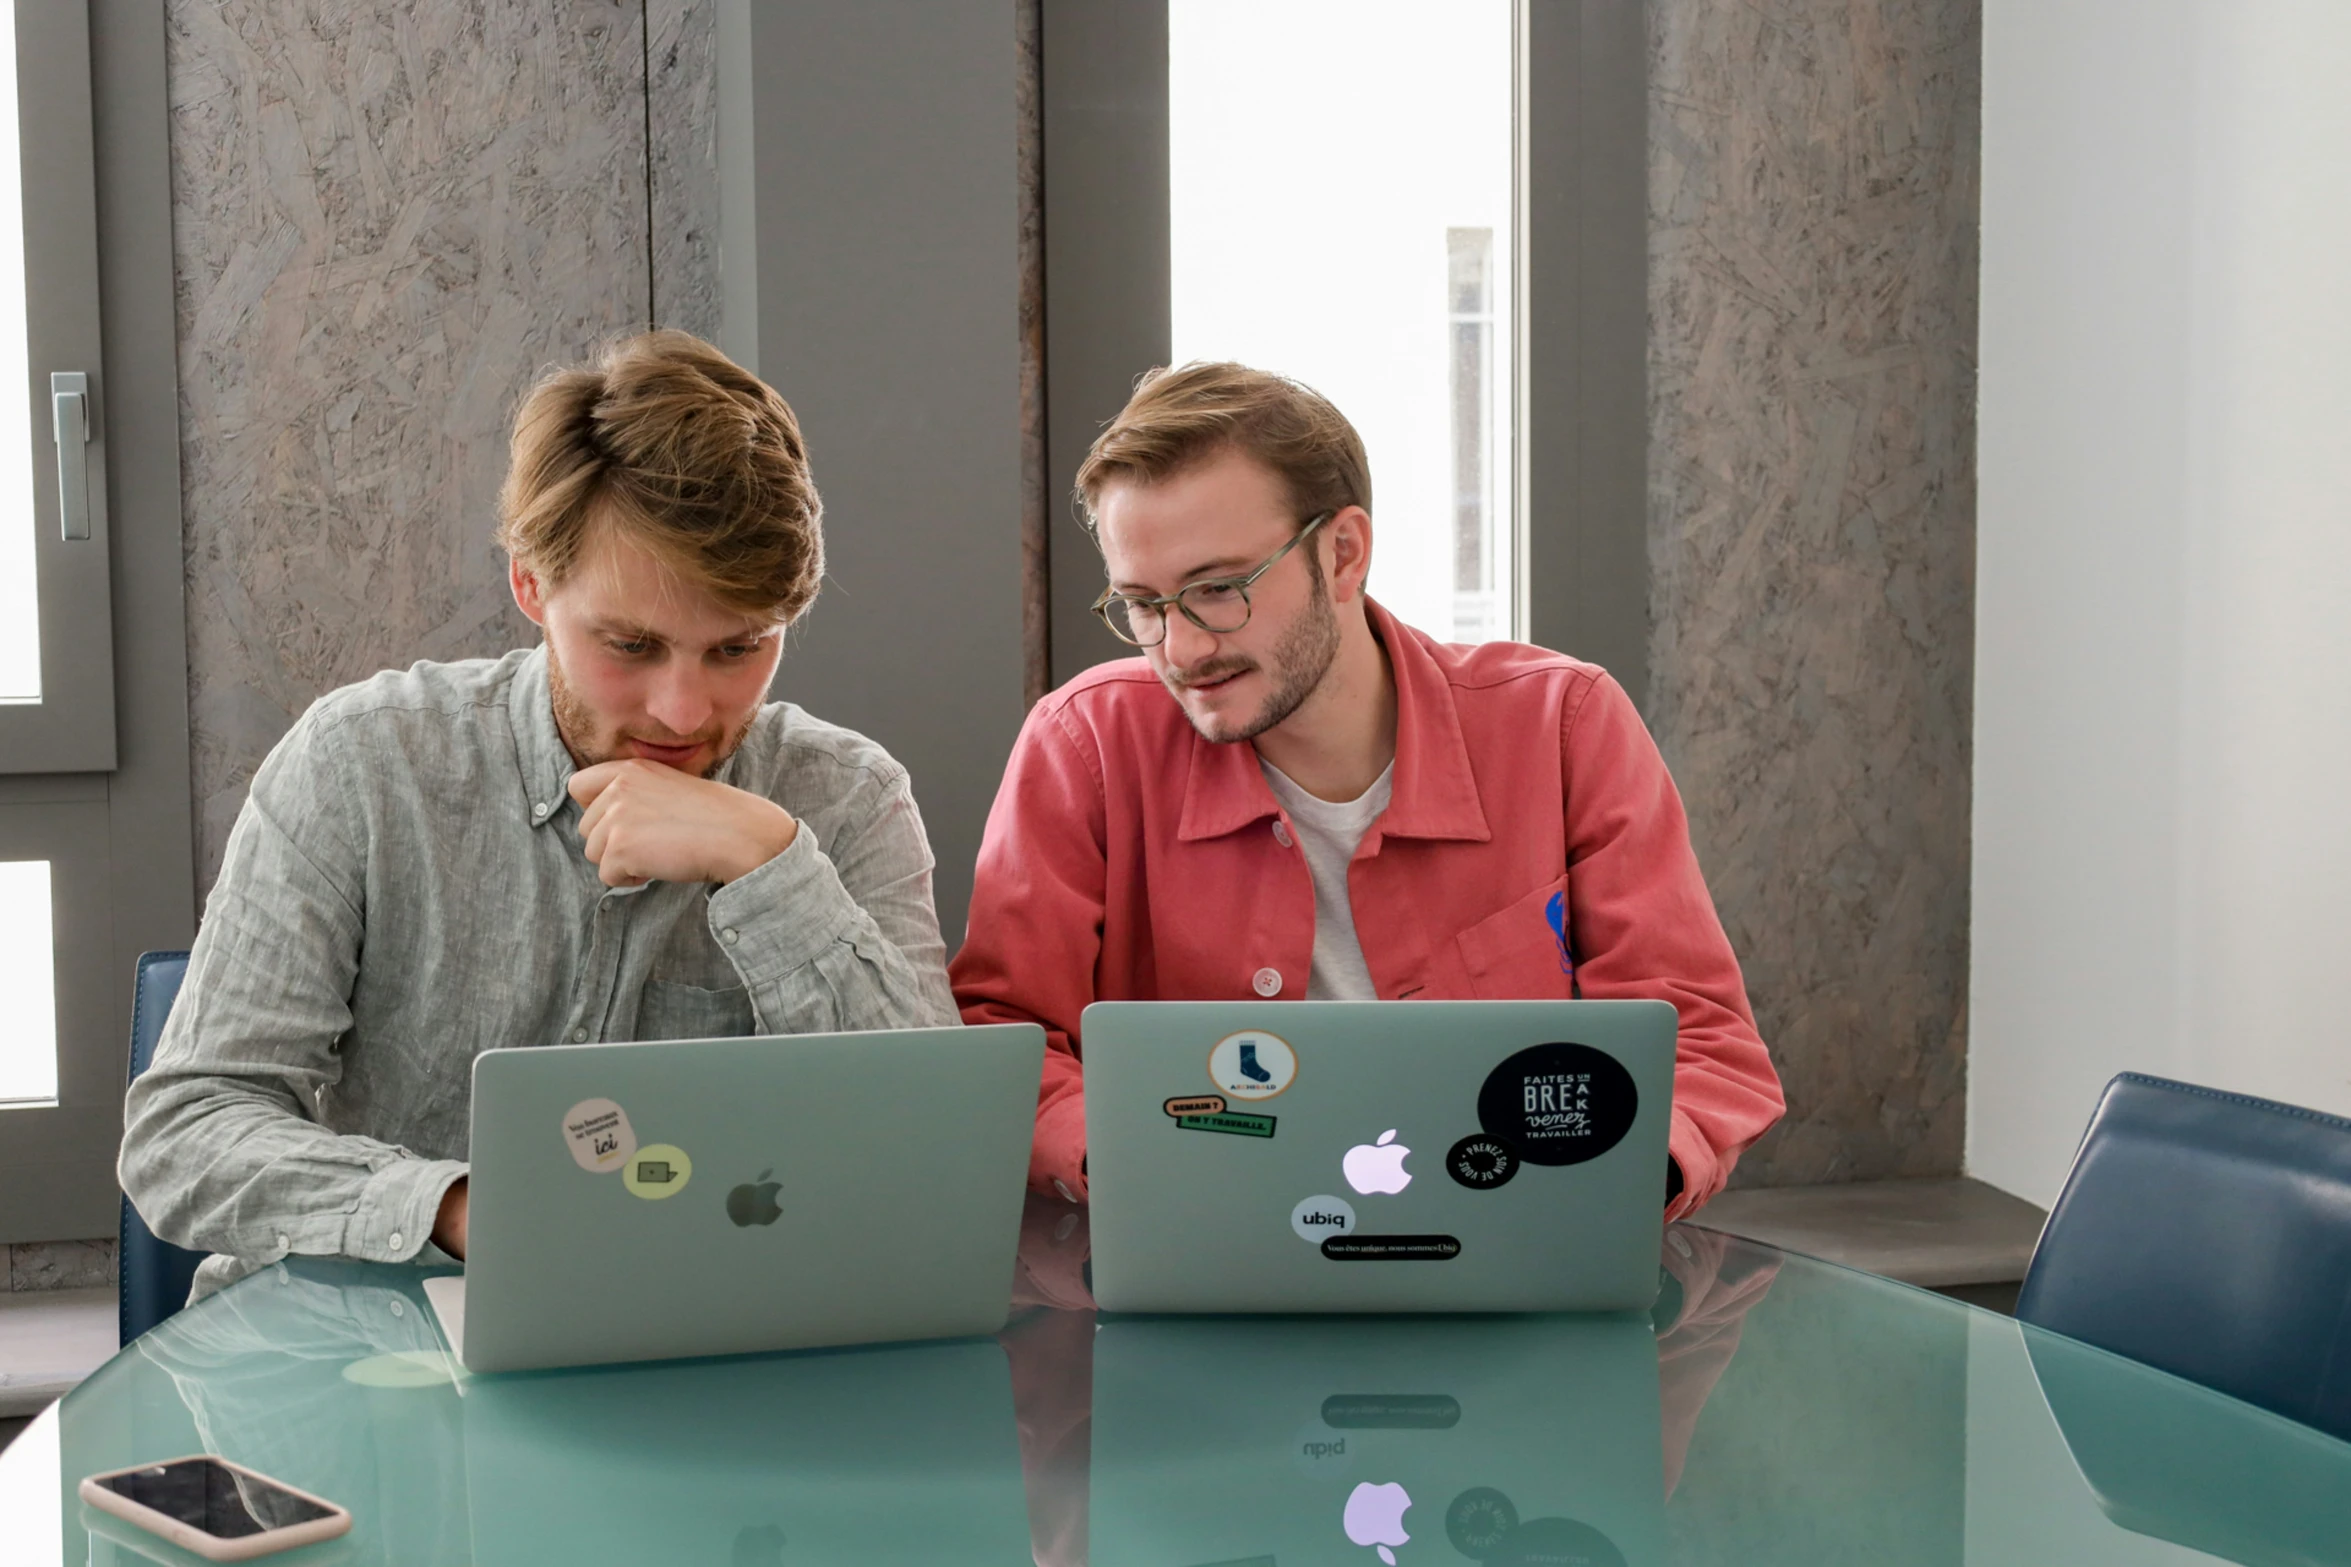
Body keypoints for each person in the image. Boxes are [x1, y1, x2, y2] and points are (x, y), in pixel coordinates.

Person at [123, 331, 955, 1296]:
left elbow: (935, 1153)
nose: (684, 711)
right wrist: (460, 1210)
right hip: (375, 1353)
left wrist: (773, 869)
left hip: (726, 1355)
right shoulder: (362, 762)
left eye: (738, 648)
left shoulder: (846, 799)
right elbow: (187, 1134)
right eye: (631, 644)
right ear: (530, 584)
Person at [952, 362, 1783, 1216]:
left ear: (1343, 553)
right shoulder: (1082, 742)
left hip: (1515, 1256)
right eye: (1143, 603)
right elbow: (1004, 1041)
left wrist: (1618, 1182)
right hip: (1202, 1264)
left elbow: (1699, 1044)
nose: (1182, 648)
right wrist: (1132, 1162)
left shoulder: (1562, 724)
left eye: (1216, 590)